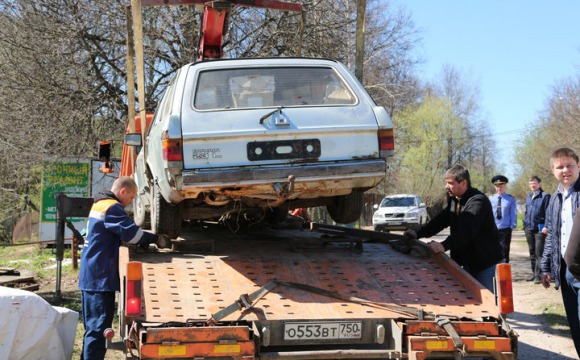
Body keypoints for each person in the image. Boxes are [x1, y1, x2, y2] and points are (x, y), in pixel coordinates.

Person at [78, 176, 169, 360]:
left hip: (91, 275)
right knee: (98, 330)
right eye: (132, 197)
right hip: (100, 278)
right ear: (123, 191)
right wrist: (156, 238)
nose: (131, 202)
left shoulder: (99, 204)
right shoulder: (112, 207)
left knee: (92, 329)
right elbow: (132, 234)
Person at [404, 165, 504, 292]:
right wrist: (417, 233)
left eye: (450, 183)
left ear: (463, 183)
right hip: (466, 262)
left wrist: (444, 245)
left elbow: (466, 231)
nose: (446, 187)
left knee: (486, 302)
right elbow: (440, 221)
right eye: (446, 183)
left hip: (484, 263)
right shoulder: (455, 200)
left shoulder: (478, 201)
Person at [540, 147, 580, 357]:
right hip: (564, 271)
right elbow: (553, 236)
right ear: (553, 170)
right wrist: (545, 267)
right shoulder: (554, 199)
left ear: (578, 166)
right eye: (560, 167)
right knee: (575, 325)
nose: (565, 170)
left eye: (569, 165)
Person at [523, 176, 550, 283]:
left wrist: (546, 226)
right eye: (530, 184)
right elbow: (526, 212)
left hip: (540, 229)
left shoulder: (545, 196)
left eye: (534, 183)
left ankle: (538, 275)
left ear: (539, 184)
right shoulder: (529, 197)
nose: (532, 185)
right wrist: (525, 223)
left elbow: (548, 212)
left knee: (539, 253)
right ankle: (534, 274)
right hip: (529, 228)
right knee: (532, 252)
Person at [489, 175, 517, 263]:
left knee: (504, 251)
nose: (499, 188)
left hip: (505, 229)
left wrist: (512, 226)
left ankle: (504, 273)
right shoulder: (490, 199)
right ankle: (494, 272)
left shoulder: (510, 199)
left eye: (501, 186)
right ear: (495, 187)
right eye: (497, 186)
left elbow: (513, 213)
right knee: (493, 251)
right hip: (493, 229)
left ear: (505, 186)